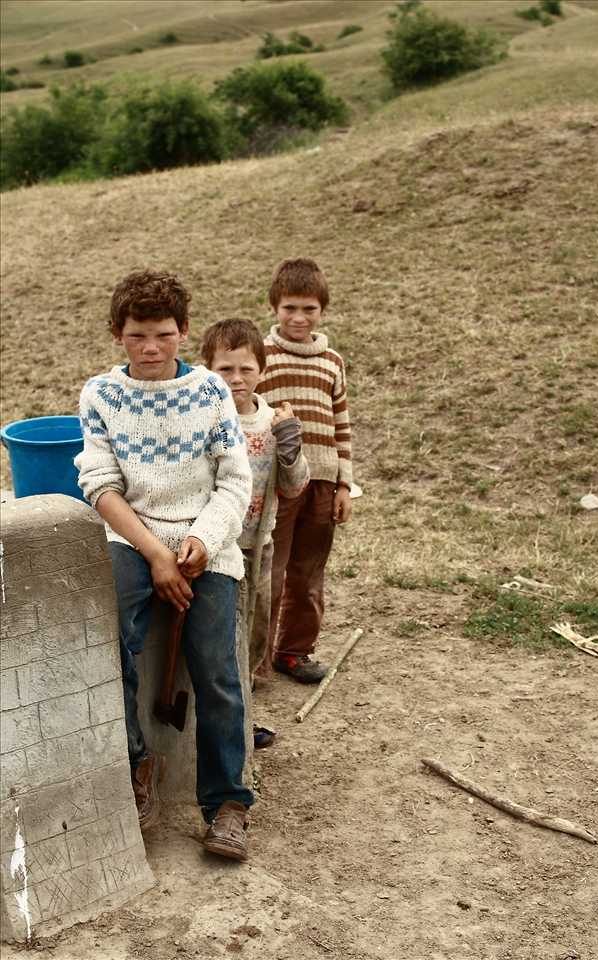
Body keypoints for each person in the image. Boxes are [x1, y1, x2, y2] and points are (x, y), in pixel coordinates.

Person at [75, 269, 254, 862]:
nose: (150, 348)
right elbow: (100, 486)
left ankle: (227, 804)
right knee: (108, 642)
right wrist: (156, 554)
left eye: (163, 335)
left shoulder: (210, 392)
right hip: (132, 538)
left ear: (183, 331)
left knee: (217, 669)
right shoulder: (101, 395)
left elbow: (235, 481)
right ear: (116, 334)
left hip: (207, 541)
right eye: (137, 336)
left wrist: (201, 540)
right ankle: (137, 763)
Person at [201, 318, 310, 745]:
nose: (236, 379)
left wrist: (289, 440)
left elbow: (295, 487)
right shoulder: (203, 419)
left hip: (256, 547)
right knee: (216, 636)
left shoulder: (271, 424)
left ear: (262, 370)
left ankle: (242, 719)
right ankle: (210, 723)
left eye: (246, 369)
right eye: (225, 369)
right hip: (213, 548)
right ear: (207, 370)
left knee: (253, 634)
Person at [256, 257, 353, 684]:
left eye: (309, 309)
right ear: (274, 306)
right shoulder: (261, 355)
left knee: (308, 575)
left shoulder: (332, 361)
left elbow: (342, 425)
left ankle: (294, 651)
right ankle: (256, 660)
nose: (299, 317)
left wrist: (344, 484)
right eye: (289, 308)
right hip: (277, 482)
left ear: (322, 309)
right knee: (269, 574)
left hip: (323, 482)